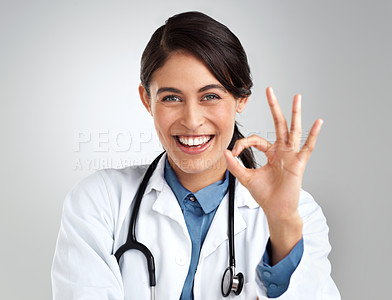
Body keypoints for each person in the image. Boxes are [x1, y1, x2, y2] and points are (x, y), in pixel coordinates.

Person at [52, 11, 340, 300]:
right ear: (146, 100)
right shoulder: (99, 201)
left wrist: (282, 225)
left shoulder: (298, 213)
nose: (191, 120)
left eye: (210, 96)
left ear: (241, 99)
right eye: (172, 98)